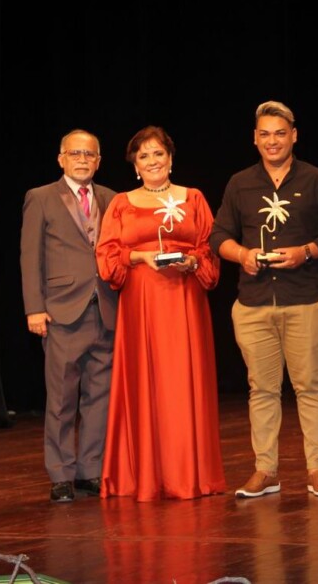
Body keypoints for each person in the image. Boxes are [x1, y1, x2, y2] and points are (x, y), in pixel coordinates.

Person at [210, 101, 318, 499]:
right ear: (254, 139)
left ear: (294, 135)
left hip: (304, 298)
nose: (272, 141)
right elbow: (218, 236)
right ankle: (265, 471)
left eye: (279, 133)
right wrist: (243, 255)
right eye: (265, 134)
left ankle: (317, 469)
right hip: (253, 303)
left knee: (311, 386)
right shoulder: (239, 183)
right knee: (262, 390)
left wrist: (306, 252)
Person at [95, 126, 225, 501]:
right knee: (145, 384)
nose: (152, 161)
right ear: (135, 165)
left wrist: (191, 261)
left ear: (170, 158)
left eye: (158, 154)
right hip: (142, 303)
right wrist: (139, 256)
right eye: (144, 156)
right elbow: (107, 256)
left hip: (185, 302)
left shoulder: (194, 198)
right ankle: (146, 477)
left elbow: (209, 248)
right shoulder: (121, 203)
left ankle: (189, 474)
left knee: (183, 382)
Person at [21, 129, 118, 503]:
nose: (82, 159)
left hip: (105, 309)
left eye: (89, 154)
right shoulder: (41, 197)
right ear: (61, 158)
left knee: (99, 397)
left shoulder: (111, 199)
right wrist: (34, 307)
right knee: (62, 398)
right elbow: (30, 256)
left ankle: (90, 470)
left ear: (98, 161)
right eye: (75, 153)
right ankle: (60, 473)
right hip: (61, 311)